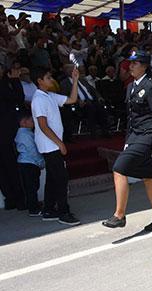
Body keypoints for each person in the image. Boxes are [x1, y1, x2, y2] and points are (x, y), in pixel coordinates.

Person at [102, 51, 152, 231]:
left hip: (146, 137)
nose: (130, 66)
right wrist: (127, 140)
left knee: (119, 168)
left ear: (145, 66)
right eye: (130, 63)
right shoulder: (130, 87)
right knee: (148, 178)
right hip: (135, 136)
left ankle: (119, 215)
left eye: (135, 63)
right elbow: (130, 117)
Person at [30, 66, 81, 225]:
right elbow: (43, 125)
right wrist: (60, 143)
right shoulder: (38, 99)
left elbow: (72, 100)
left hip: (52, 144)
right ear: (39, 81)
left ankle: (48, 209)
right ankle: (63, 212)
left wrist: (75, 81)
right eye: (48, 78)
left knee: (53, 178)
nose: (51, 80)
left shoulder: (50, 95)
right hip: (49, 145)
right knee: (61, 178)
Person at [0, 64, 26, 210]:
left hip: (5, 130)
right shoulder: (3, 86)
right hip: (5, 131)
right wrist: (15, 80)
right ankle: (19, 200)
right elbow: (18, 98)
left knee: (3, 168)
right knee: (10, 166)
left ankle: (10, 199)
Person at [15, 115, 44, 216]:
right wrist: (40, 161)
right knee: (31, 186)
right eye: (31, 121)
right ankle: (33, 209)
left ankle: (33, 204)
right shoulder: (25, 135)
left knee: (32, 186)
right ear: (23, 122)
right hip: (29, 163)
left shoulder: (25, 134)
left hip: (27, 163)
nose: (33, 123)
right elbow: (32, 150)